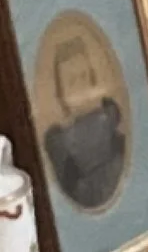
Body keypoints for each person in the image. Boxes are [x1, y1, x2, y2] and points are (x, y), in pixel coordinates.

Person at [40, 29, 126, 211]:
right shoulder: (60, 144)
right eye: (72, 82)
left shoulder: (110, 121)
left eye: (84, 78)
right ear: (61, 94)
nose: (81, 89)